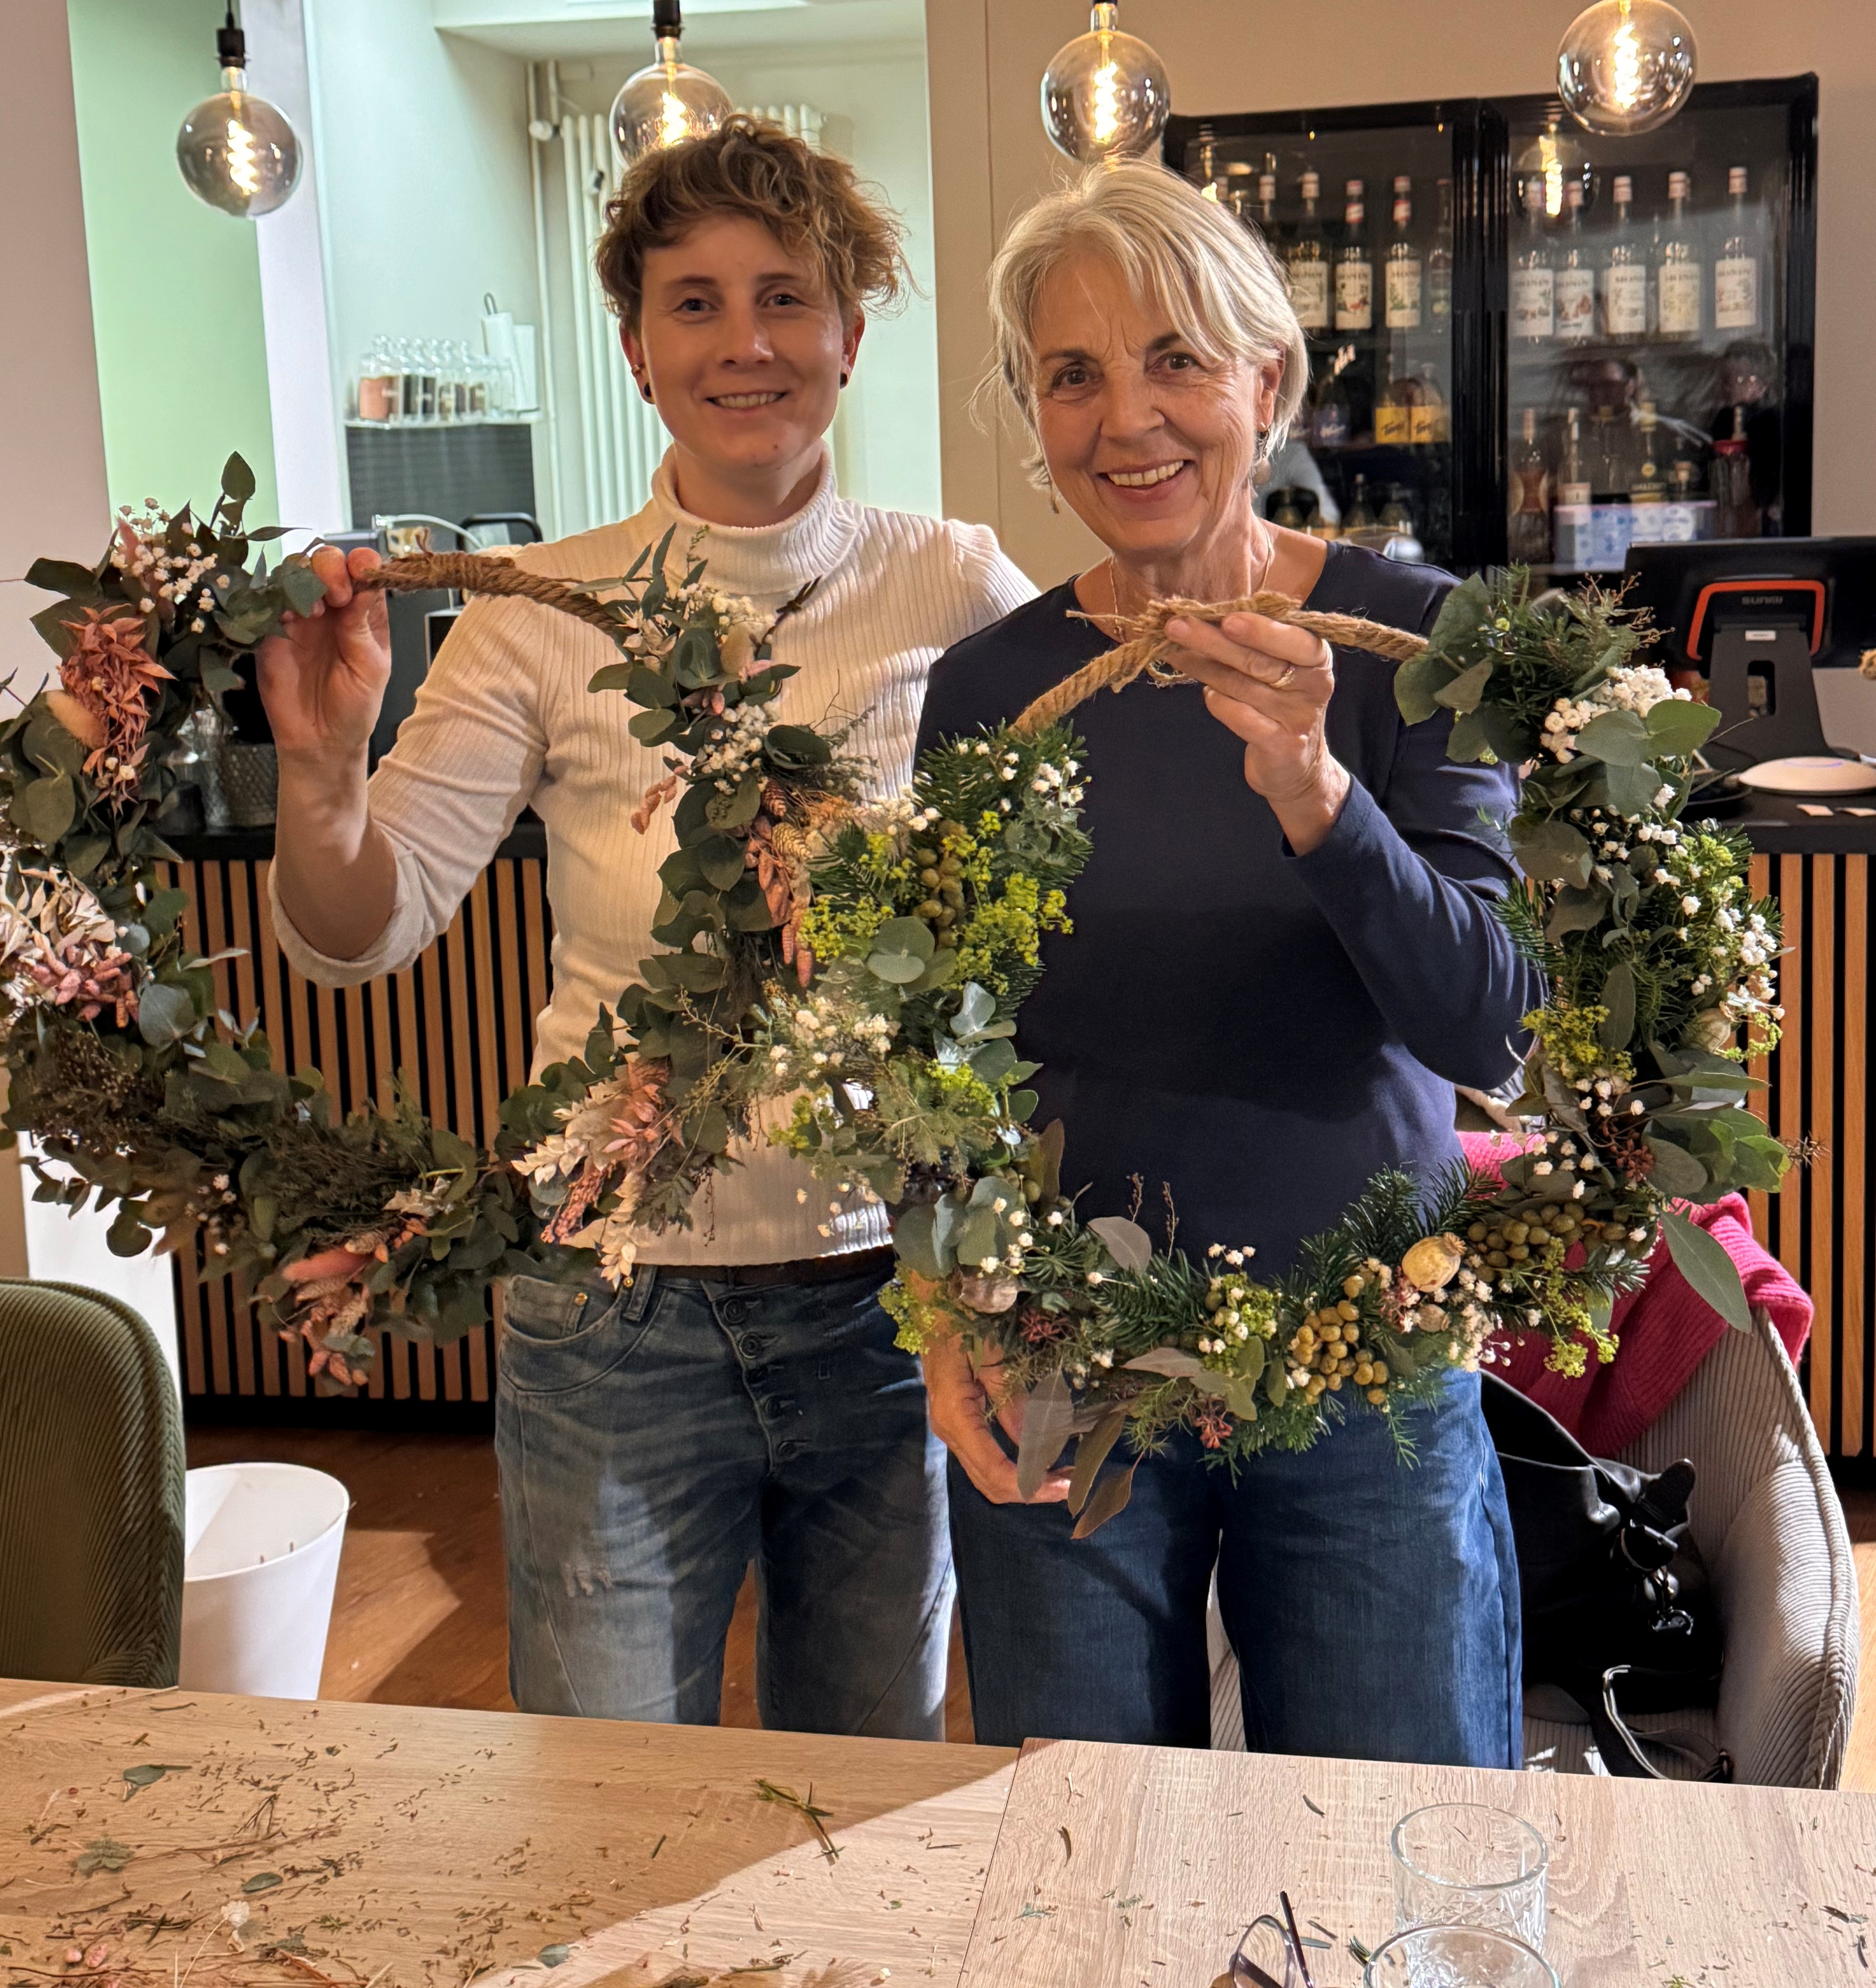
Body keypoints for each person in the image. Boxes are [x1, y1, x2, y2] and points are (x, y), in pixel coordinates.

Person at [259, 117, 1033, 1735]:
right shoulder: (539, 610)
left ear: (849, 333)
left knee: (866, 1788)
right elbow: (367, 927)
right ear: (634, 347)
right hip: (614, 1311)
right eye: (694, 302)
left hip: (889, 1299)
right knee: (602, 1798)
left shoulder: (956, 587)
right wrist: (326, 772)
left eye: (785, 297)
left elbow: (1086, 874)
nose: (744, 342)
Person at [915, 159, 1531, 1762]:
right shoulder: (990, 688)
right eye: (1073, 374)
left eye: (1177, 358)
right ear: (1032, 417)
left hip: (1364, 1361)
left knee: (1395, 1867)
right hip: (1061, 1359)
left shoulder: (1409, 645)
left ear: (1267, 382)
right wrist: (943, 1310)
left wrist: (1315, 796)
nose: (1128, 420)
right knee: (1079, 1858)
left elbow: (1486, 1026)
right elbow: (928, 1047)